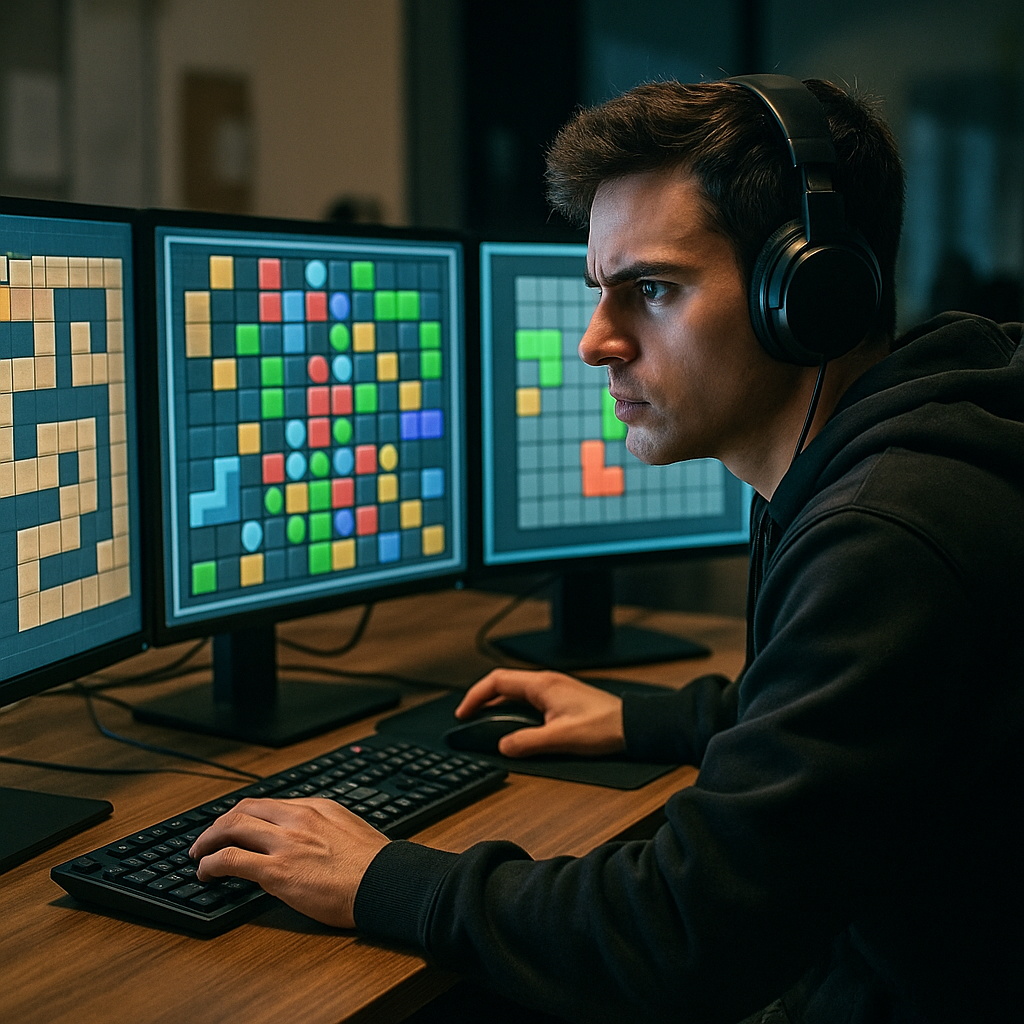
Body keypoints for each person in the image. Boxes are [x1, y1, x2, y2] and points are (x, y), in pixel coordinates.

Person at [190, 77, 1024, 1023]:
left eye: (653, 290)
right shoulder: (916, 445)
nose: (595, 342)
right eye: (600, 293)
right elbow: (865, 719)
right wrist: (647, 721)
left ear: (808, 293)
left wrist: (383, 876)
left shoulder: (887, 534)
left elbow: (682, 935)